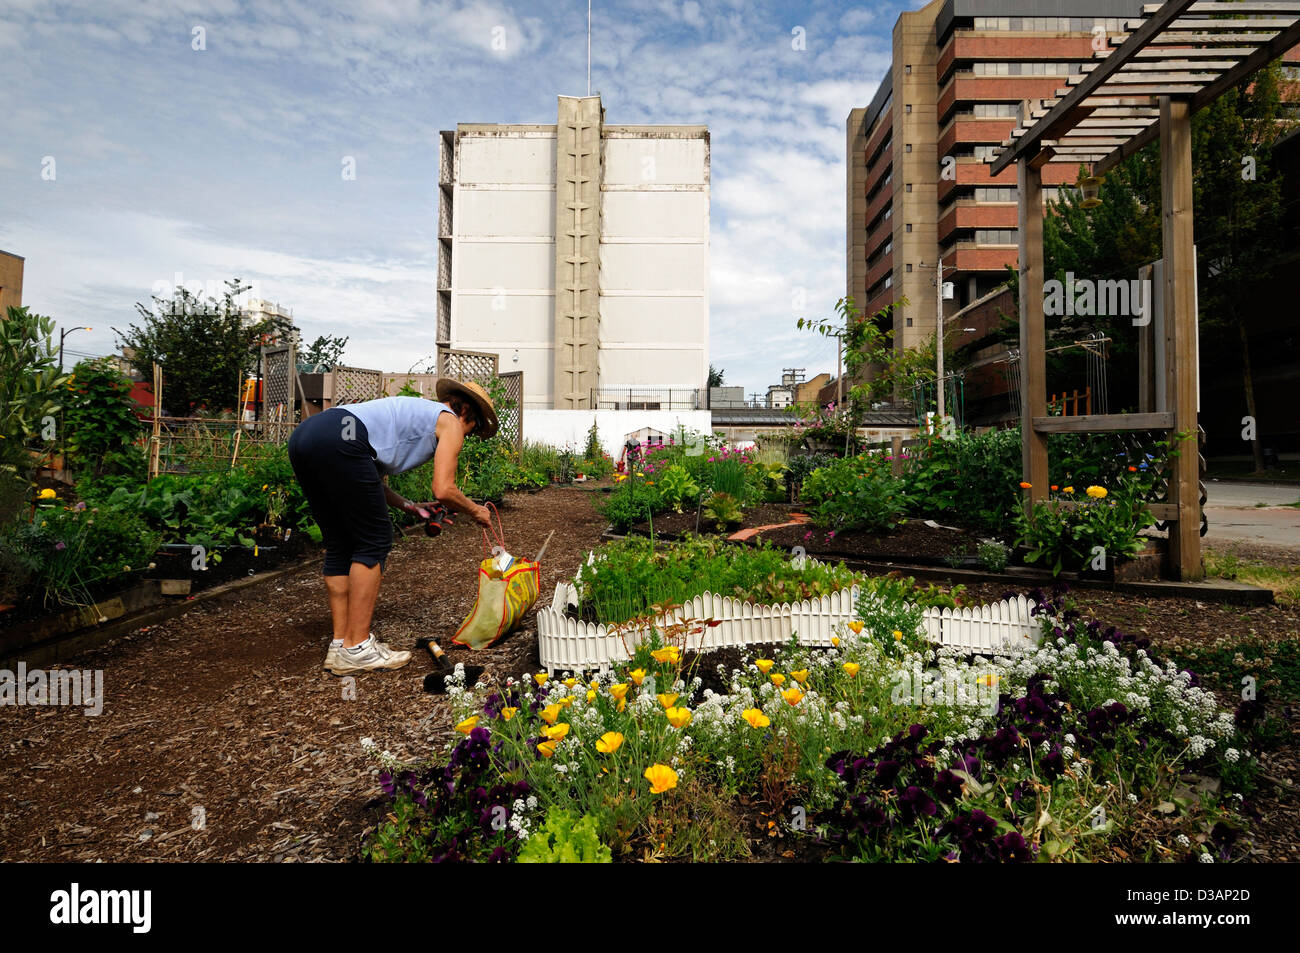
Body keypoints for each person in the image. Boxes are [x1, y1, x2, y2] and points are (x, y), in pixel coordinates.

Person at [287, 379, 498, 675]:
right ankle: (357, 647)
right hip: (340, 439)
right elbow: (444, 489)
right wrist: (476, 510)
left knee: (341, 543)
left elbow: (368, 479)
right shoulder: (449, 422)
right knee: (374, 539)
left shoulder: (409, 415)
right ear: (469, 416)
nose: (468, 436)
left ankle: (340, 646)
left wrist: (412, 507)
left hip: (308, 435)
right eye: (474, 430)